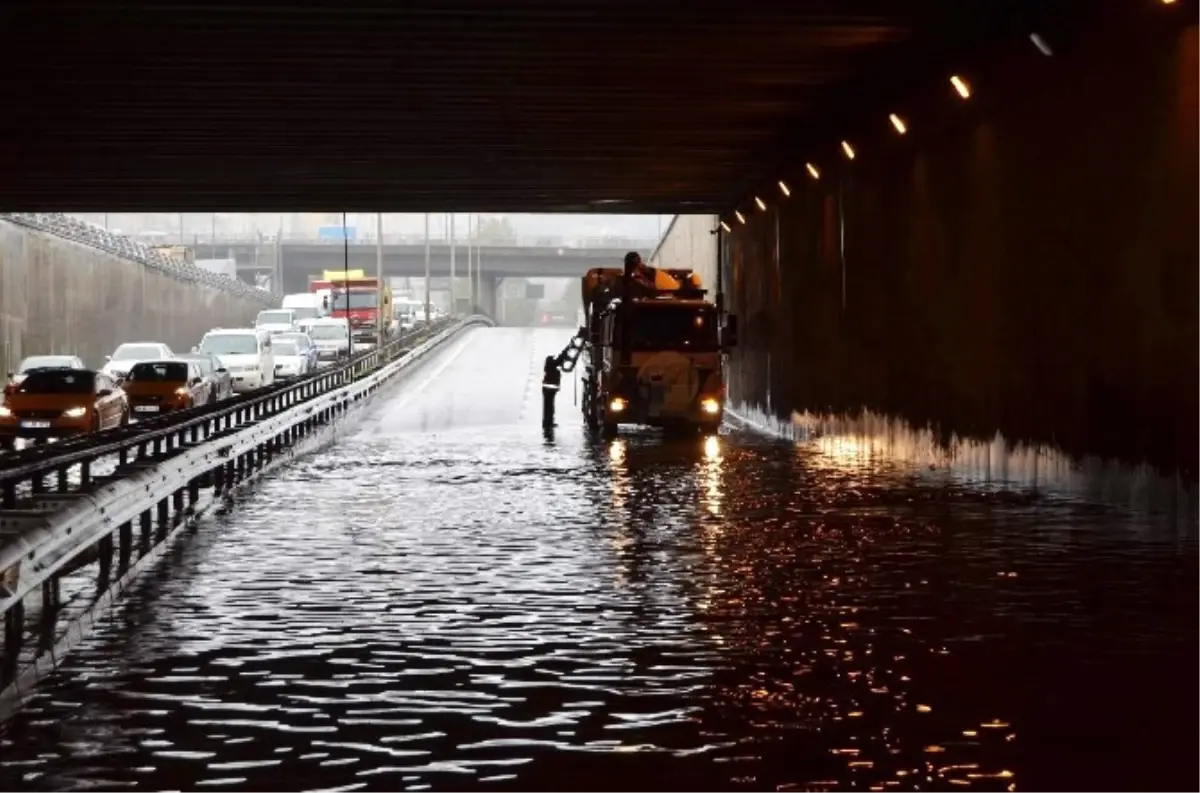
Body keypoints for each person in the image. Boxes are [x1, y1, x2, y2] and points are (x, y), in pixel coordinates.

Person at [542, 355, 562, 427]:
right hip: (549, 391)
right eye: (552, 359)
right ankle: (548, 423)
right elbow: (558, 361)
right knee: (549, 408)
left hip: (548, 390)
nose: (554, 360)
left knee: (548, 407)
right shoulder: (551, 367)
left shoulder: (549, 368)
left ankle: (548, 422)